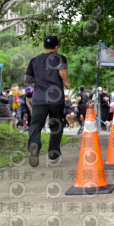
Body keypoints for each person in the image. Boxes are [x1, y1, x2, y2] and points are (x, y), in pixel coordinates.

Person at [25, 35, 70, 167]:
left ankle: (34, 145)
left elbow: (28, 79)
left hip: (39, 98)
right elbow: (62, 72)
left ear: (44, 46)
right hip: (55, 98)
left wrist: (39, 78)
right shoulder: (60, 58)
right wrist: (66, 82)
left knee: (35, 125)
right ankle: (53, 153)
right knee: (56, 124)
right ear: (56, 47)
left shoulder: (34, 60)